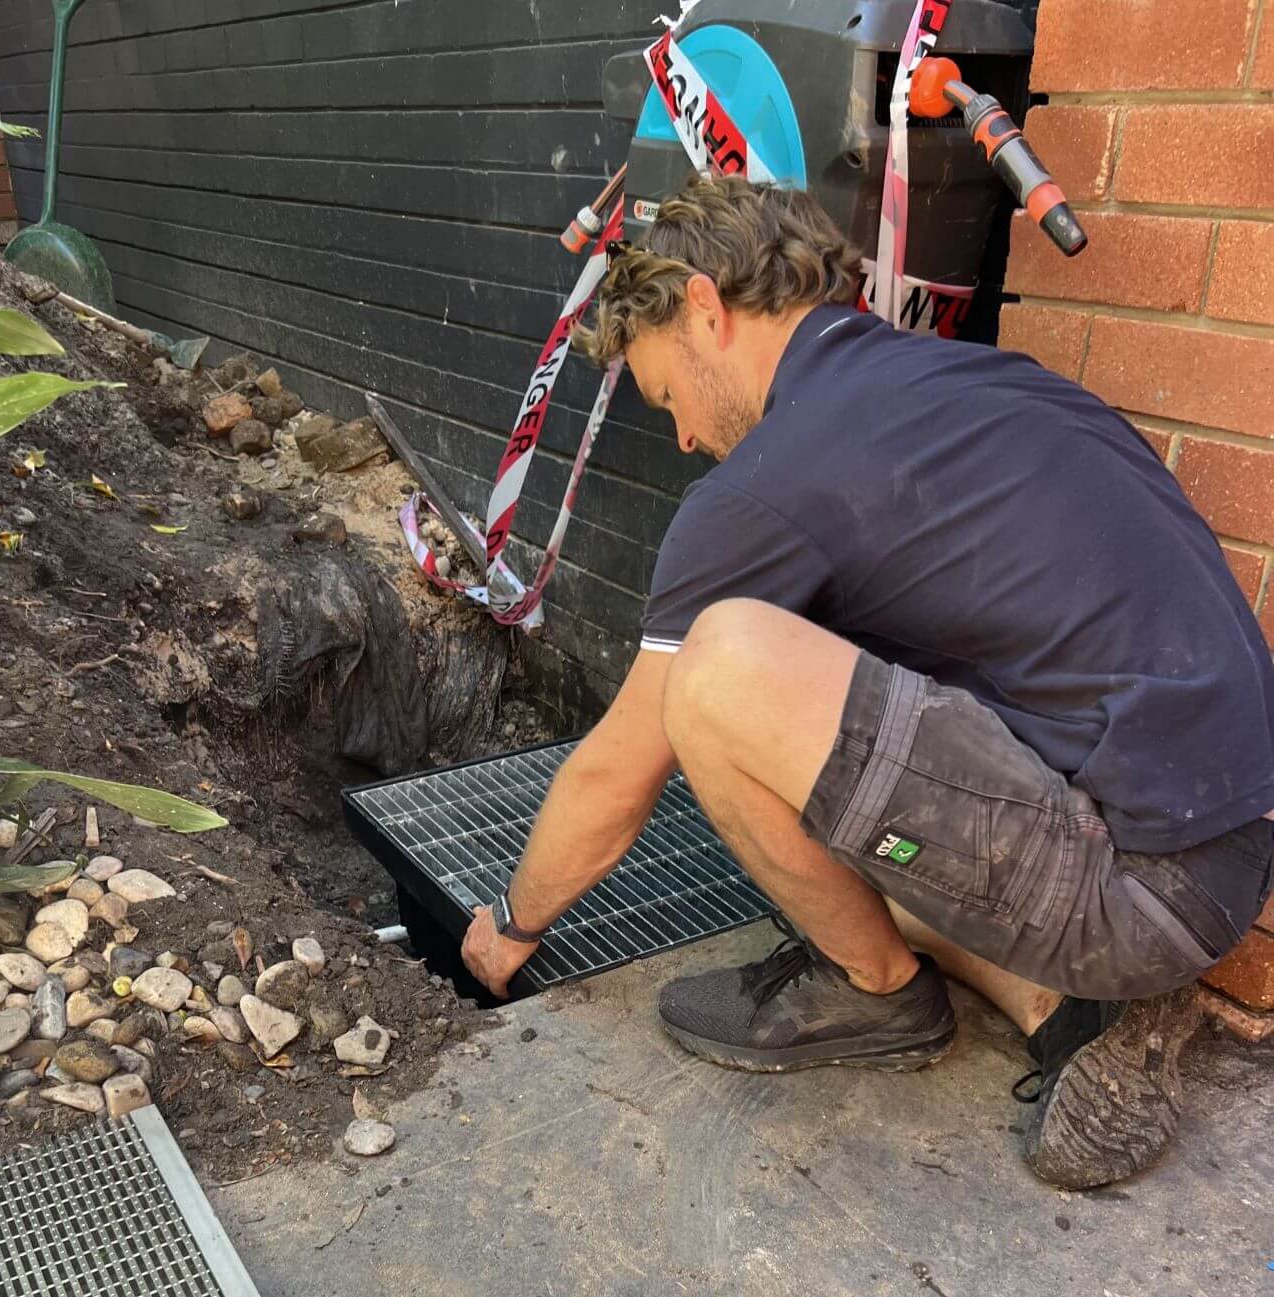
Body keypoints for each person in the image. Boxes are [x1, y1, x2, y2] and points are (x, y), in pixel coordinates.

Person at [462, 177, 1274, 1189]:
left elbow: (615, 778)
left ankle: (877, 989)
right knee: (830, 822)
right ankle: (1067, 1010)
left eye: (662, 391)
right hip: (1222, 847)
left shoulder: (762, 487)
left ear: (703, 307)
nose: (677, 437)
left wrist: (509, 927)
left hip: (1136, 885)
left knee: (714, 675)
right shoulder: (965, 382)